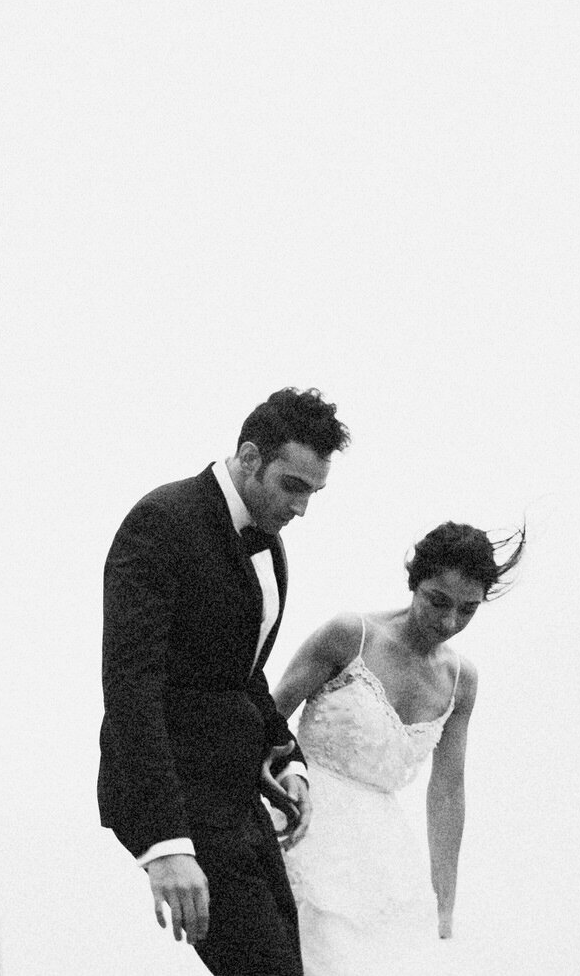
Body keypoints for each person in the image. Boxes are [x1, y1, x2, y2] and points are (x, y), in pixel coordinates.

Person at [99, 387, 351, 975]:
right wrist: (166, 844)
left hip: (240, 802)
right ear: (250, 456)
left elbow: (244, 675)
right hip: (183, 806)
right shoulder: (161, 522)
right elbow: (131, 688)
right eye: (293, 485)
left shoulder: (273, 548)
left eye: (314, 492)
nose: (302, 508)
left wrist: (287, 757)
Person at [269, 521, 523, 970]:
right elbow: (263, 724)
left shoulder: (461, 680)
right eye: (438, 601)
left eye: (468, 609)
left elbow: (447, 793)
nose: (449, 622)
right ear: (414, 583)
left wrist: (445, 904)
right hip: (304, 825)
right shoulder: (350, 635)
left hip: (385, 858)